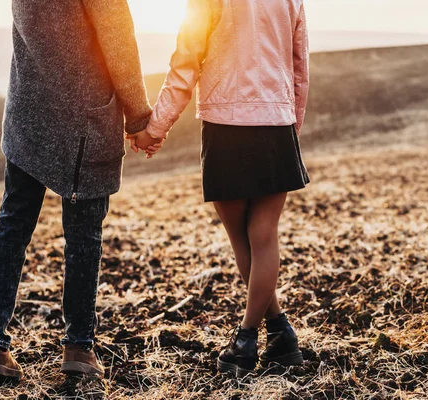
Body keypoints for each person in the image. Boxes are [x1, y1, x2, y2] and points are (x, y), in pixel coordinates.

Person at [0, 0, 163, 380]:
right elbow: (118, 38)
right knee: (84, 238)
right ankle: (78, 347)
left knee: (12, 225)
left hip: (27, 114)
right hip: (85, 119)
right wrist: (139, 116)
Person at [128, 0, 310, 377]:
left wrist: (155, 129)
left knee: (241, 239)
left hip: (227, 127)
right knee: (264, 237)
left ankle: (245, 341)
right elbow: (299, 66)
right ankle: (280, 333)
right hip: (276, 123)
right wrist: (291, 123)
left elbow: (184, 67)